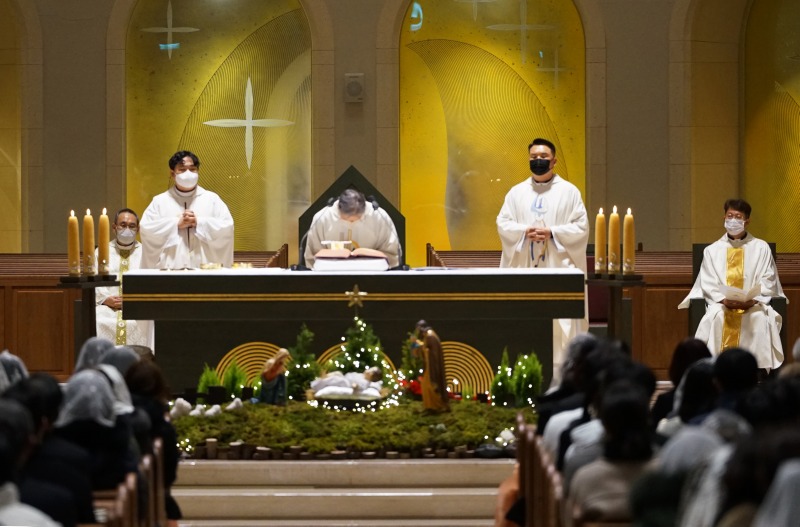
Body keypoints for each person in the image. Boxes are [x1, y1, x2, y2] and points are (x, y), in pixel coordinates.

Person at [496, 138, 589, 380]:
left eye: (543, 157)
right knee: (526, 319)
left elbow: (581, 227)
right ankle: (525, 370)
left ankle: (562, 374)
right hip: (525, 267)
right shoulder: (516, 193)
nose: (538, 161)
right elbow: (503, 223)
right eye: (534, 157)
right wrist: (524, 232)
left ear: (554, 161)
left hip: (558, 267)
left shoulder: (569, 192)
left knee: (560, 321)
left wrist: (553, 233)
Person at [679, 198, 785, 370]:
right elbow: (708, 282)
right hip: (722, 305)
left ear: (747, 221)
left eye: (738, 217)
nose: (733, 220)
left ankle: (753, 370)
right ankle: (718, 368)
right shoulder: (712, 250)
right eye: (730, 216)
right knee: (717, 318)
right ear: (724, 218)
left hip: (753, 304)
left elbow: (768, 279)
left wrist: (753, 300)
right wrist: (723, 300)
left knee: (759, 319)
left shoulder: (761, 248)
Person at [140, 150, 234, 269]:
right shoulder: (160, 201)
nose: (188, 173)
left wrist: (199, 222)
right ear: (172, 173)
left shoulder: (212, 199)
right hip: (171, 269)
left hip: (205, 268)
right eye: (182, 169)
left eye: (192, 169)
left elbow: (227, 227)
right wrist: (175, 224)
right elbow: (146, 229)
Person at [95, 208, 153, 348]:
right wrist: (105, 299)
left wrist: (134, 300)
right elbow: (94, 280)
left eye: (132, 226)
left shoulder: (146, 252)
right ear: (114, 227)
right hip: (107, 308)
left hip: (137, 307)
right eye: (123, 225)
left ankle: (140, 360)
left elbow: (151, 282)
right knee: (98, 320)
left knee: (147, 321)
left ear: (138, 229)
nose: (127, 229)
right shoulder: (101, 252)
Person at [303, 188, 401, 268]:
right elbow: (313, 255)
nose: (351, 222)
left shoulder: (379, 216)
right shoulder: (323, 217)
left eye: (357, 219)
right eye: (346, 219)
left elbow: (391, 253)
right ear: (339, 209)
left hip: (372, 275)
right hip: (330, 275)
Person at [410, 320, 449, 412]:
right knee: (426, 385)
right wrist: (418, 345)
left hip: (432, 367)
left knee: (430, 386)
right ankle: (430, 406)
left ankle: (436, 406)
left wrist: (417, 344)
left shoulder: (430, 336)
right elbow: (425, 348)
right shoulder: (429, 336)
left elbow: (429, 351)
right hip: (429, 366)